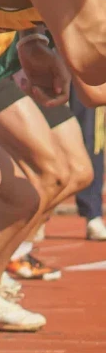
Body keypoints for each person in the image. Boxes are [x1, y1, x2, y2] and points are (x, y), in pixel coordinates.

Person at [69, 86, 106, 240]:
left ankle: (92, 214)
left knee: (91, 136)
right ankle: (38, 217)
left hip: (87, 69)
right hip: (44, 65)